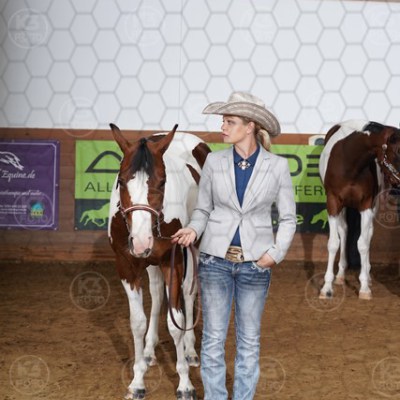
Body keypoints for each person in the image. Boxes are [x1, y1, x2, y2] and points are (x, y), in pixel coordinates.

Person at [172, 91, 296, 400]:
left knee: (249, 340)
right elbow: (203, 209)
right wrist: (192, 229)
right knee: (213, 339)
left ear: (250, 126)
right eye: (223, 121)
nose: (223, 127)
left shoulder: (278, 167)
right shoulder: (214, 162)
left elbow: (288, 218)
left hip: (256, 265)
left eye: (230, 122)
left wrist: (275, 254)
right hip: (214, 262)